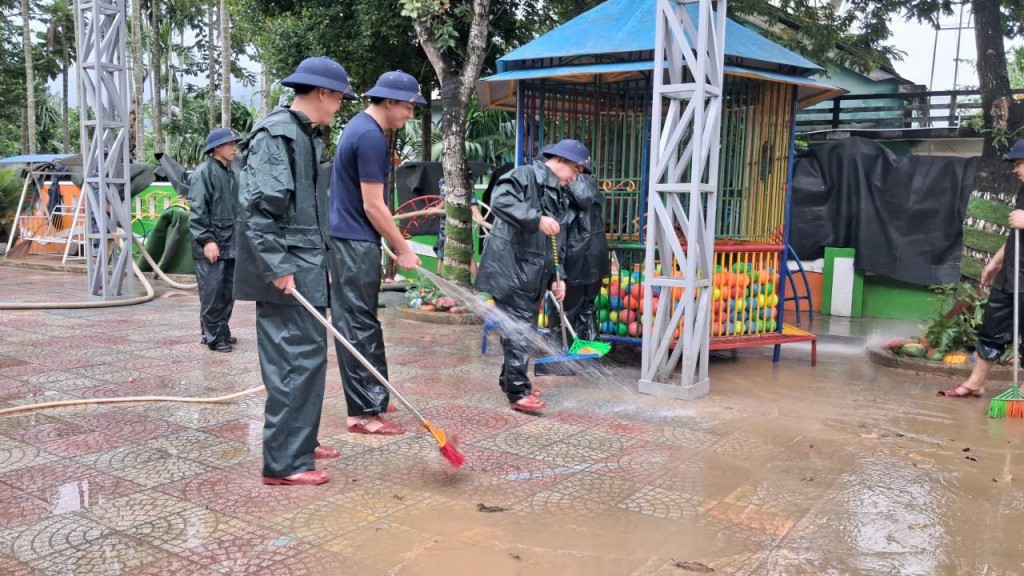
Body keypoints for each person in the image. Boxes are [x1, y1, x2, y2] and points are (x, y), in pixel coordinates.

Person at [234, 56, 358, 486]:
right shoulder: (277, 134)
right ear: (322, 94)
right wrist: (280, 267)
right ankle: (285, 463)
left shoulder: (305, 137)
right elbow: (259, 211)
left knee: (307, 359)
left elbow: (304, 212)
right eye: (340, 98)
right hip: (285, 270)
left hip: (303, 265)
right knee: (292, 362)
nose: (340, 106)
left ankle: (300, 442)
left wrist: (317, 264)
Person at [328, 70, 423, 435]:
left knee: (364, 320)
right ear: (388, 101)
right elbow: (373, 205)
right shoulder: (370, 137)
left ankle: (374, 396)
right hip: (353, 243)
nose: (409, 115)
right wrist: (403, 248)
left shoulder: (361, 130)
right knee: (357, 324)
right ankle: (363, 413)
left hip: (355, 240)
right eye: (407, 107)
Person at [475, 139, 592, 412]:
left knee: (519, 328)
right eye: (575, 169)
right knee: (520, 330)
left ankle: (512, 381)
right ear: (559, 160)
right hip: (511, 268)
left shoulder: (560, 194)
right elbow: (500, 199)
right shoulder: (524, 175)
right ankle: (518, 392)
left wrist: (557, 277)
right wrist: (535, 219)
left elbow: (556, 242)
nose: (575, 177)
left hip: (532, 274)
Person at [939, 139, 1024, 398]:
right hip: (1012, 273)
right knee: (992, 327)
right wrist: (995, 262)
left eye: (1020, 163)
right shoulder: (1022, 191)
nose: (1015, 169)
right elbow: (1016, 235)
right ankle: (976, 382)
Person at [536, 171, 609, 376]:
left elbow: (561, 230)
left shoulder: (564, 194)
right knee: (586, 309)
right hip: (595, 260)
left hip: (574, 261)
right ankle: (591, 360)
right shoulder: (592, 191)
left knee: (561, 310)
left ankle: (562, 360)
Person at [188, 128, 242, 353]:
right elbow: (198, 210)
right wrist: (207, 240)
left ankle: (220, 330)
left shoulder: (229, 172)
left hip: (229, 241)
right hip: (212, 243)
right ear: (217, 147)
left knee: (226, 291)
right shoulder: (204, 172)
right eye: (230, 144)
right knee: (212, 291)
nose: (234, 148)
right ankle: (213, 335)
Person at [434, 177, 488, 278]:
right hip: (445, 225)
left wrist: (479, 217)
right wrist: (435, 209)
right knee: (442, 255)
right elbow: (443, 200)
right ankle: (438, 286)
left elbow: (472, 202)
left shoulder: (466, 181)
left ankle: (479, 285)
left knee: (468, 254)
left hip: (462, 224)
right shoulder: (442, 181)